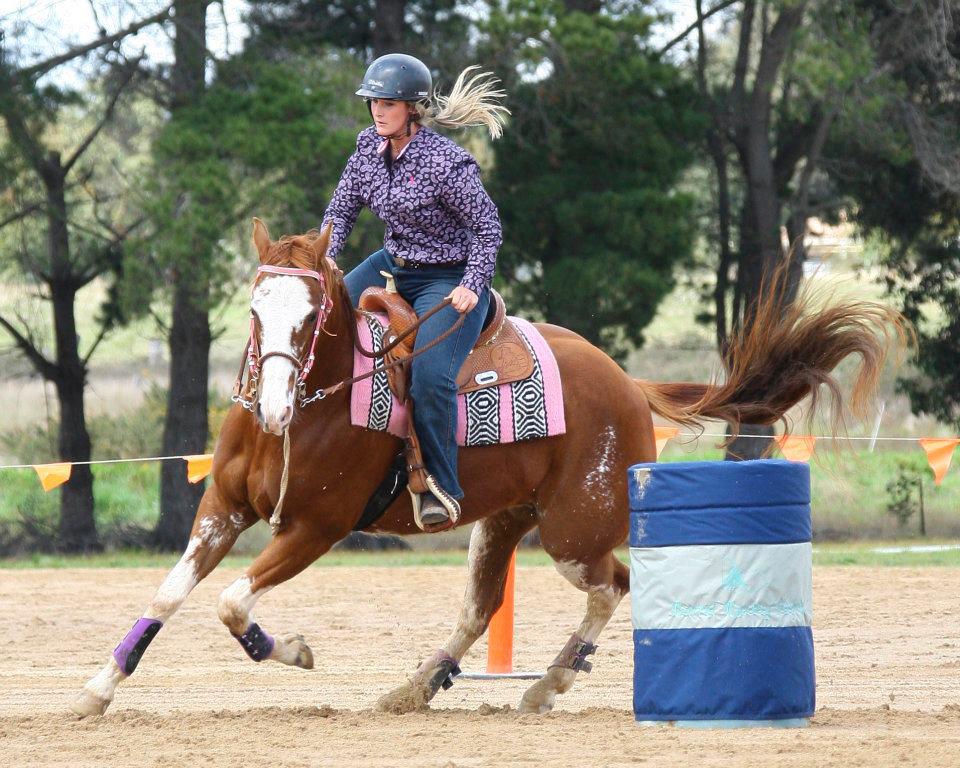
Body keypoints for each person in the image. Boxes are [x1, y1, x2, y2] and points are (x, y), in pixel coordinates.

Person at [321, 53, 509, 527]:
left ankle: (441, 488)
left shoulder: (448, 163)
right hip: (392, 264)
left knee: (429, 374)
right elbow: (340, 213)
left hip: (447, 278)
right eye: (373, 102)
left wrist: (472, 283)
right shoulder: (366, 149)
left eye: (388, 103)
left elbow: (488, 227)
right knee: (322, 316)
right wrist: (322, 257)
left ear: (413, 108)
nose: (378, 111)